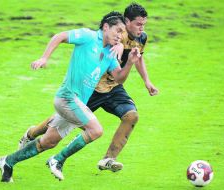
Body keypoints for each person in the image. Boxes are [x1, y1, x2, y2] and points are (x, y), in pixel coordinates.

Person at [0, 11, 141, 182]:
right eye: (118, 30)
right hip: (67, 97)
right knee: (96, 130)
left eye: (122, 32)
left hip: (77, 102)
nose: (120, 36)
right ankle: (57, 160)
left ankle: (8, 161)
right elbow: (59, 36)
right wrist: (44, 58)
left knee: (48, 142)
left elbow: (119, 78)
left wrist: (130, 63)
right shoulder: (88, 36)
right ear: (105, 27)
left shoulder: (109, 53)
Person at [18, 3, 158, 173]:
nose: (142, 28)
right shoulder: (114, 33)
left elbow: (139, 58)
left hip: (113, 87)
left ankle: (108, 159)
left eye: (144, 24)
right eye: (138, 24)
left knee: (131, 116)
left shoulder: (141, 37)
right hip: (92, 88)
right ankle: (31, 134)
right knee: (62, 121)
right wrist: (120, 44)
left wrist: (147, 81)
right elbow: (96, 42)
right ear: (126, 21)